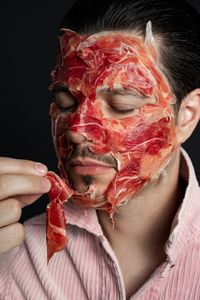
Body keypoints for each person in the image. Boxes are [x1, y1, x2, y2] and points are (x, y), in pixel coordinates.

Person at [0, 0, 200, 299]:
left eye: (123, 106)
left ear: (187, 116)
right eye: (67, 103)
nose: (77, 131)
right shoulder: (13, 255)